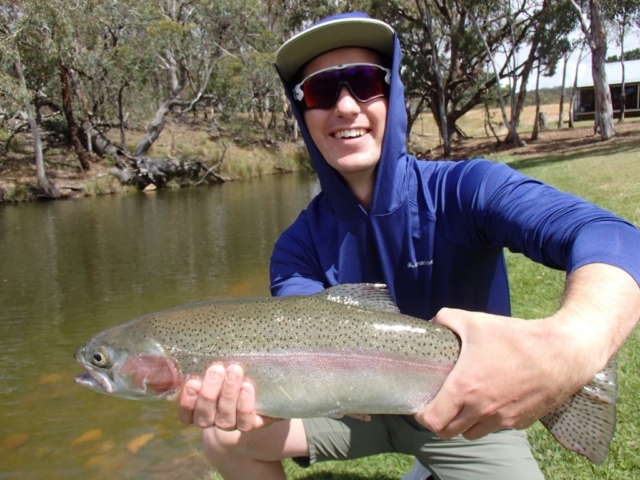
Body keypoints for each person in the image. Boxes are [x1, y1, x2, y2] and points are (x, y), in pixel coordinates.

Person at [176, 12, 640, 480]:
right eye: (320, 91)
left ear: (392, 95)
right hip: (352, 406)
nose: (345, 107)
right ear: (302, 112)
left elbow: (614, 237)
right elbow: (306, 354)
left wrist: (572, 347)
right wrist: (267, 399)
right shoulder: (296, 246)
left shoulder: (465, 189)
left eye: (363, 82)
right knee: (224, 437)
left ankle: (434, 461)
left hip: (466, 403)